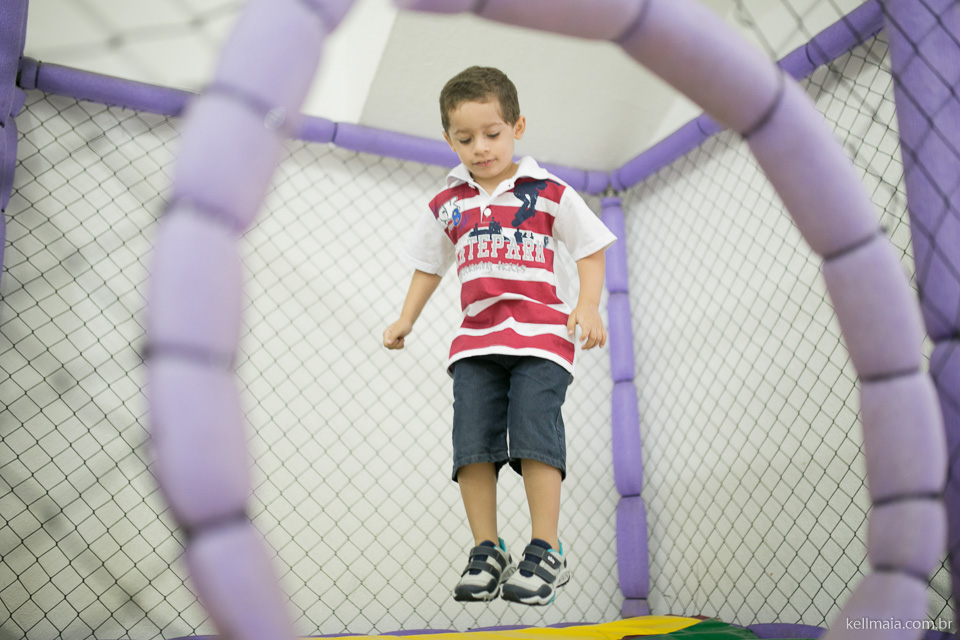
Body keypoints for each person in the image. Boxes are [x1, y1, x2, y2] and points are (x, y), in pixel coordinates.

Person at [382, 66, 615, 606]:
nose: (480, 148)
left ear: (517, 127)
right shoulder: (448, 203)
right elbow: (428, 266)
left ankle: (546, 549)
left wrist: (586, 304)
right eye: (465, 139)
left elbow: (590, 246)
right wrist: (406, 318)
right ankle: (487, 548)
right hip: (476, 342)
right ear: (449, 140)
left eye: (493, 134)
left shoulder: (548, 190)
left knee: (534, 432)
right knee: (472, 444)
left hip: (540, 338)